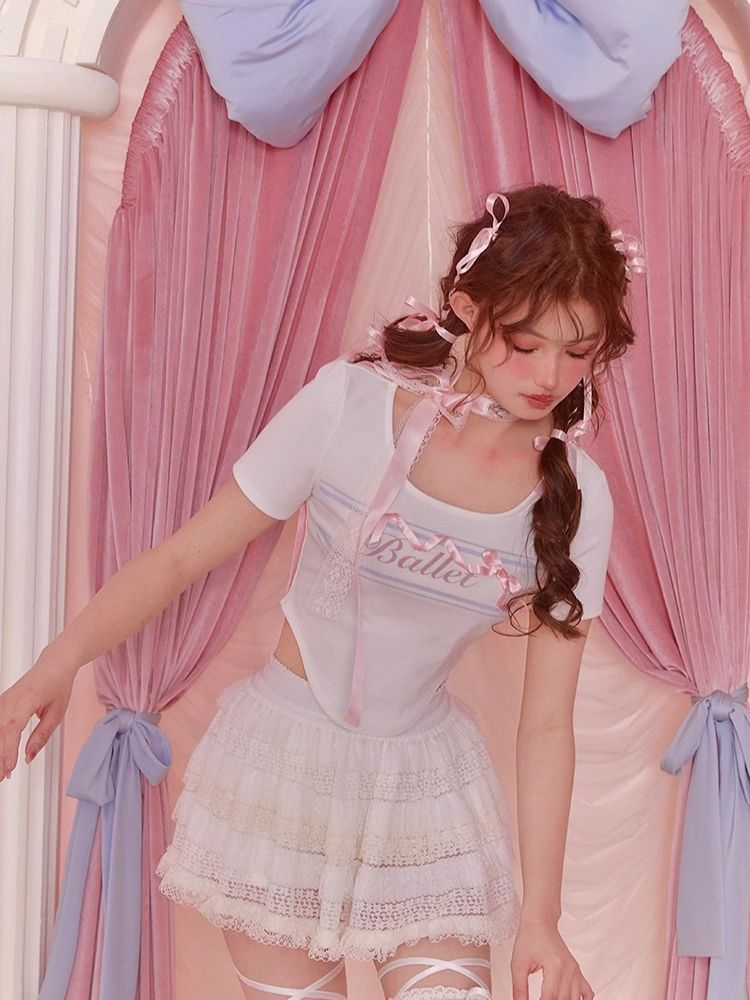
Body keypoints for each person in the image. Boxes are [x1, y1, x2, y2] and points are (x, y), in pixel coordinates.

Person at [0, 183, 642, 1000]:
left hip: (423, 790)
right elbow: (180, 559)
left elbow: (548, 722)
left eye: (578, 351)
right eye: (524, 342)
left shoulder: (578, 496)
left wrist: (542, 918)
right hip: (284, 777)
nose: (550, 374)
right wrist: (55, 664)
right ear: (466, 307)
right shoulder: (348, 405)